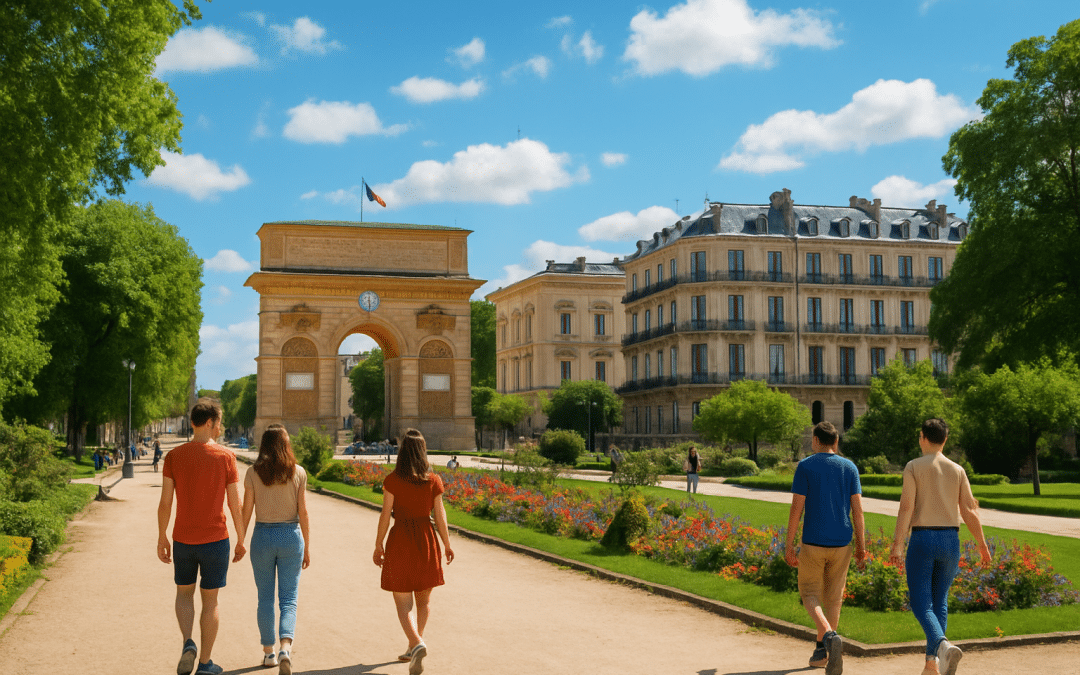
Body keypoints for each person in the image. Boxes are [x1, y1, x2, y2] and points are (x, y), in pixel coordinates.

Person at [890, 419, 991, 675]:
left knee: (921, 604)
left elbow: (906, 507)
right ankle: (931, 664)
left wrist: (897, 544)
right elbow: (969, 511)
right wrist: (982, 544)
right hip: (950, 539)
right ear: (945, 439)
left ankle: (943, 647)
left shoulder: (913, 466)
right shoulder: (957, 470)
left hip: (923, 539)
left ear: (922, 437)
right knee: (940, 603)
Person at [157, 399, 246, 675]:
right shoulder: (225, 457)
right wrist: (241, 538)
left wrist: (162, 536)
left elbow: (165, 503)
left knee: (184, 594)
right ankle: (206, 664)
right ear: (209, 422)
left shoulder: (174, 456)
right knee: (211, 601)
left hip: (183, 539)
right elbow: (234, 504)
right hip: (215, 540)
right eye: (218, 422)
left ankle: (188, 644)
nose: (220, 427)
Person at [785, 421, 865, 675]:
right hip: (842, 541)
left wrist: (789, 543)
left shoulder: (806, 466)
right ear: (836, 441)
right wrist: (862, 546)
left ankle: (829, 638)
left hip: (813, 541)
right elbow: (858, 511)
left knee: (809, 594)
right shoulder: (849, 467)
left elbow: (797, 508)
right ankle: (823, 653)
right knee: (834, 599)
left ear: (816, 440)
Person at [373, 429, 455, 675]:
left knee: (402, 603)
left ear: (402, 452)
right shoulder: (433, 480)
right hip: (426, 538)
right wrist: (447, 544)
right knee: (423, 600)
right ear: (423, 451)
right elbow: (440, 516)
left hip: (401, 540)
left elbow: (386, 515)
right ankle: (413, 646)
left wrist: (378, 544)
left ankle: (416, 643)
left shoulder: (393, 480)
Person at [238, 425, 311, 675]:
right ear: (286, 445)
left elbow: (245, 511)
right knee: (289, 599)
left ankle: (269, 653)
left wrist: (239, 540)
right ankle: (285, 649)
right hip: (291, 536)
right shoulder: (298, 472)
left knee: (265, 598)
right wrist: (308, 546)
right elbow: (303, 513)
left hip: (263, 536)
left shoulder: (252, 472)